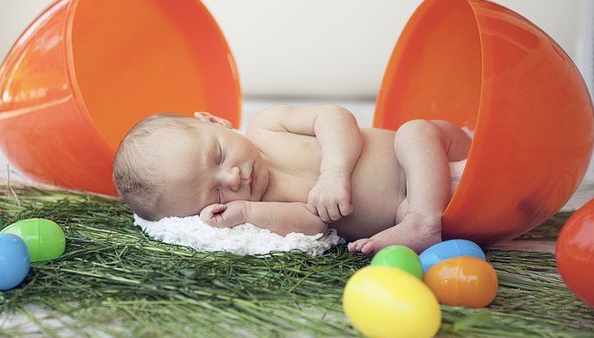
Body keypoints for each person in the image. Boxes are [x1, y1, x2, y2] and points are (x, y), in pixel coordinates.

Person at [113, 105, 471, 255]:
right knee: (406, 212)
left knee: (414, 133)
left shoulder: (267, 126)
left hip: (442, 158)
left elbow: (335, 117)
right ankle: (418, 218)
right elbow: (316, 223)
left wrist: (335, 173)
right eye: (217, 192)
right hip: (427, 206)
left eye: (219, 156)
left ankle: (424, 222)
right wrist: (246, 215)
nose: (233, 177)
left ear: (215, 121)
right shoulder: (261, 205)